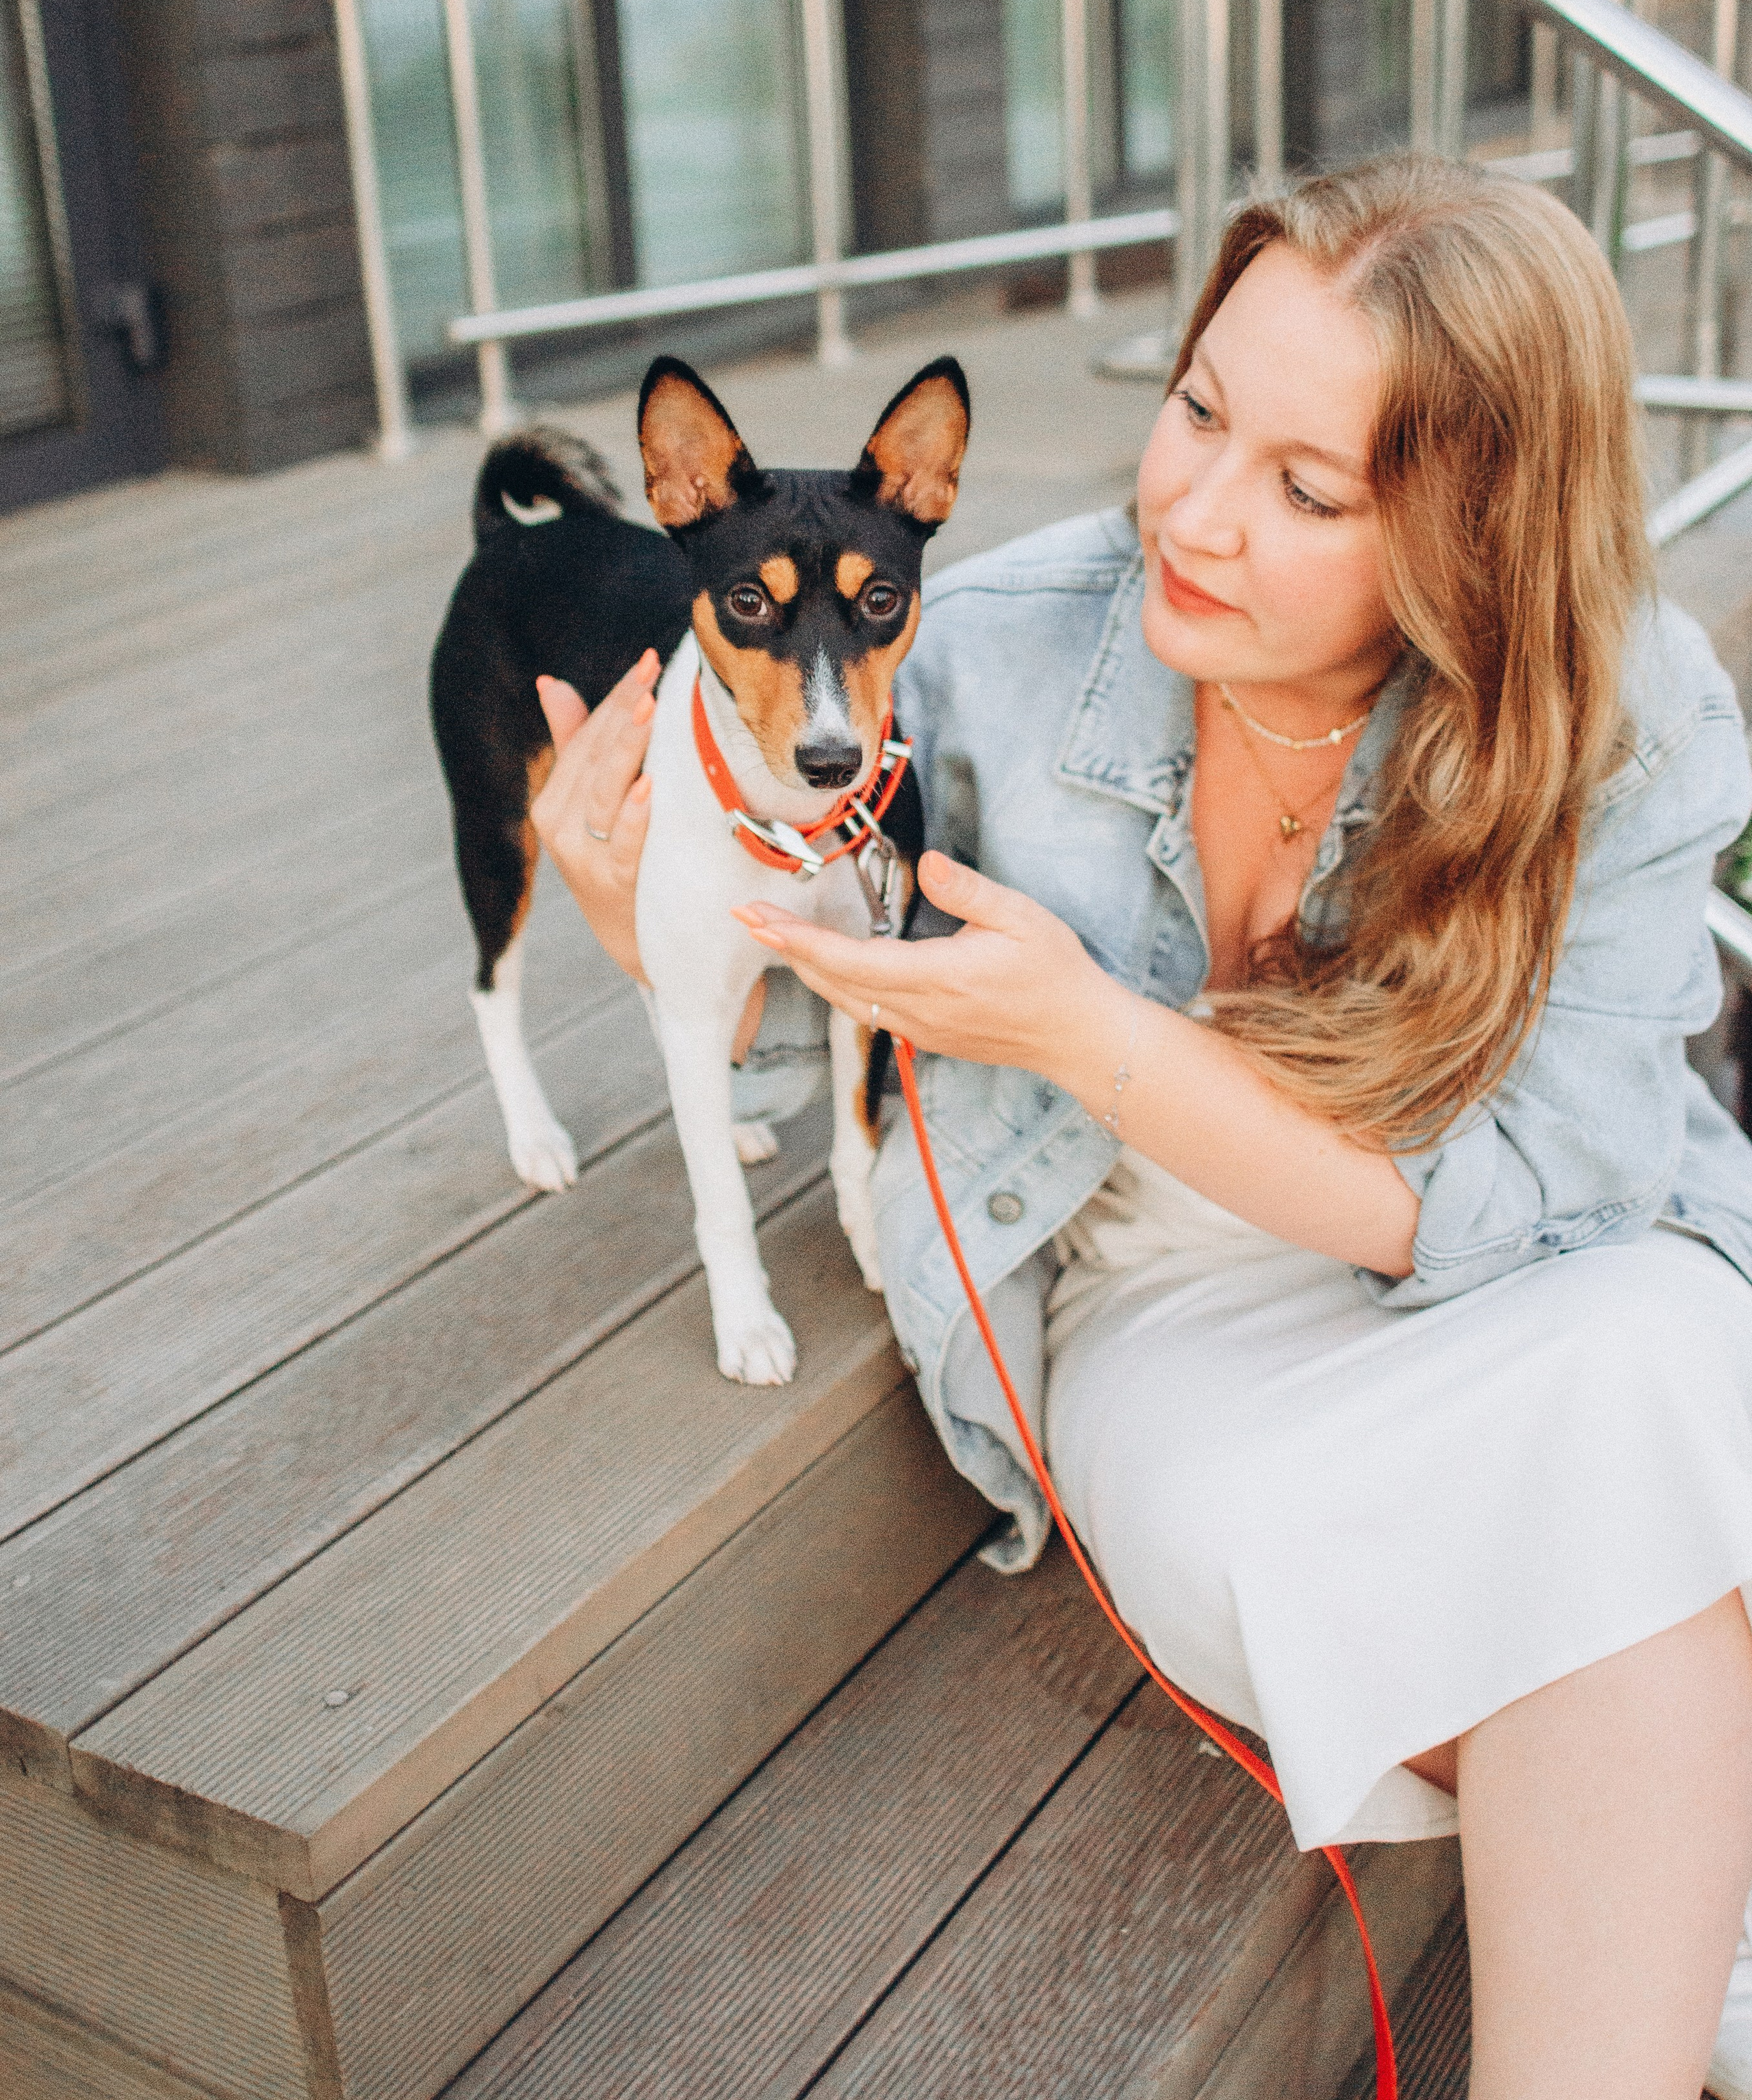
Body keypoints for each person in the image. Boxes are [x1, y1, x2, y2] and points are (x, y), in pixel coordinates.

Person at [530, 154, 1752, 2100]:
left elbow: (1562, 1204)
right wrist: (649, 909)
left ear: (1471, 533)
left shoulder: (1626, 710)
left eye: (1306, 486)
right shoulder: (986, 649)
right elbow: (809, 974)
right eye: (1197, 406)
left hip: (1552, 1274)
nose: (1187, 507)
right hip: (1171, 1316)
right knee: (1638, 1548)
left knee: (1650, 1370)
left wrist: (1100, 1031)